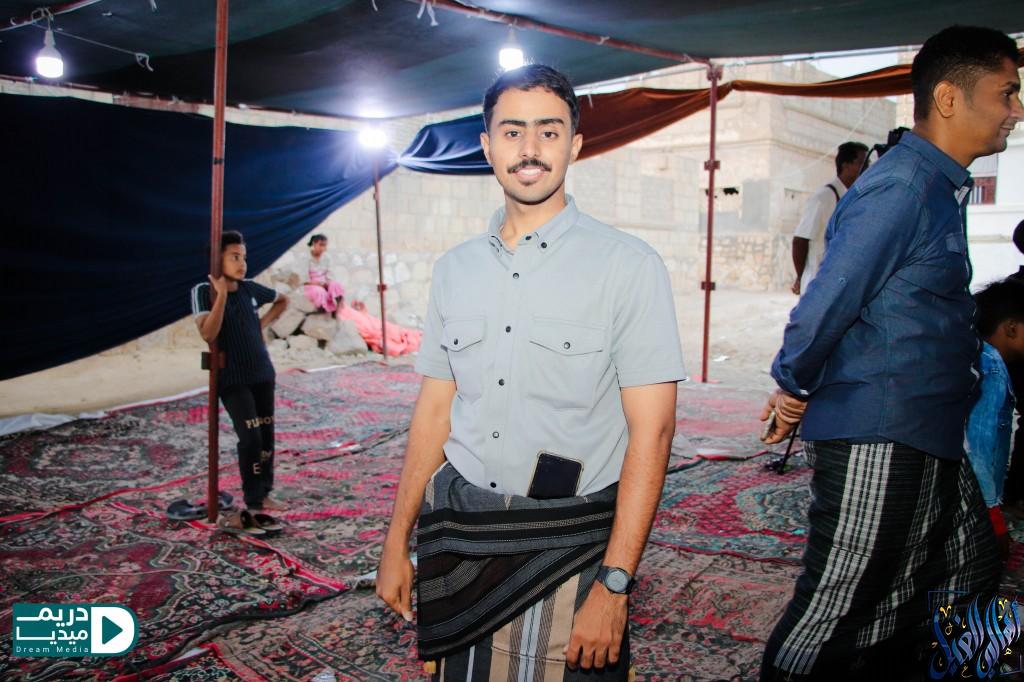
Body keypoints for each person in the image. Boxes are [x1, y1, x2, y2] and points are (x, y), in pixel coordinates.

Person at [375, 64, 685, 680]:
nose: (530, 149)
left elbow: (653, 434)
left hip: (568, 547)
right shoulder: (455, 270)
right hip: (461, 539)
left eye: (549, 131)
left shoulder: (629, 267)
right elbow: (434, 412)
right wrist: (395, 541)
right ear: (487, 146)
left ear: (575, 144)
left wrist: (614, 585)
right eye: (512, 132)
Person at [759, 26, 1022, 680]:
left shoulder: (938, 185)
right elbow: (828, 300)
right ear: (950, 98)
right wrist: (792, 384)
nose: (1017, 110)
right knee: (836, 615)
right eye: (1007, 93)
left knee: (965, 570)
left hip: (931, 426)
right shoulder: (902, 186)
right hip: (882, 428)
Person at [191, 231, 290, 532]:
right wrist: (221, 295)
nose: (242, 263)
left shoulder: (249, 288)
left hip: (262, 372)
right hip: (233, 378)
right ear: (217, 259)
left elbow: (283, 300)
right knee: (250, 438)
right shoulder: (203, 291)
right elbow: (208, 333)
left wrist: (260, 326)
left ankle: (264, 493)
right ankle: (253, 500)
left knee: (267, 437)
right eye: (235, 257)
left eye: (244, 257)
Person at [965, 279, 1024, 559]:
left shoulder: (981, 358)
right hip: (976, 504)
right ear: (1011, 328)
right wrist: (994, 519)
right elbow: (977, 449)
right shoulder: (991, 369)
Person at [790, 141, 869, 295]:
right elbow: (799, 241)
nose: (867, 168)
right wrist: (800, 278)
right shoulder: (823, 198)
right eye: (862, 163)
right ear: (846, 165)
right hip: (818, 283)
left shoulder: (852, 197)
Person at [302, 234, 346, 317]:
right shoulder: (306, 258)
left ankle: (337, 308)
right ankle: (324, 309)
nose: (323, 248)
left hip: (325, 283)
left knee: (335, 284)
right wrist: (318, 284)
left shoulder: (327, 258)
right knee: (319, 291)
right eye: (321, 245)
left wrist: (327, 283)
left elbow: (330, 274)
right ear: (314, 244)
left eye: (325, 245)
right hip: (312, 285)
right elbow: (304, 280)